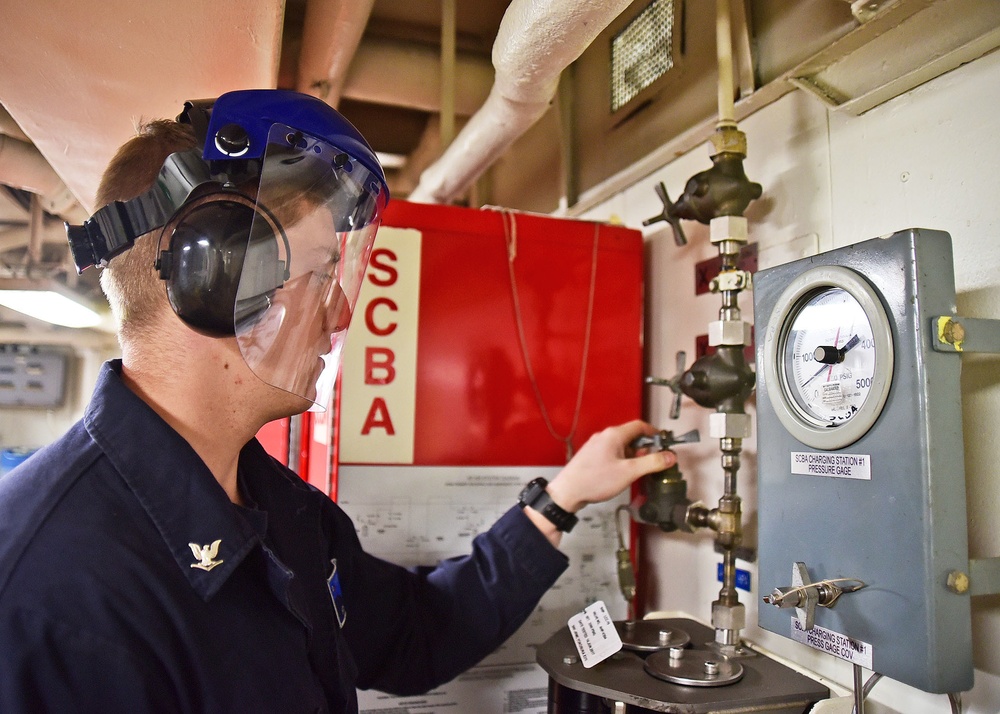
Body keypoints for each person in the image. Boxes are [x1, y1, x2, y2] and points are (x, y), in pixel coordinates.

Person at [0, 89, 675, 713]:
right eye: (322, 271)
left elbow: (419, 634)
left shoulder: (281, 511)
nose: (346, 309)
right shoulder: (41, 594)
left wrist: (563, 497)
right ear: (218, 275)